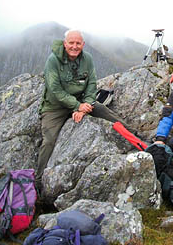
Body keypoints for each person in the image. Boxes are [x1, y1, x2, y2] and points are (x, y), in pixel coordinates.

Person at [36, 30, 124, 190]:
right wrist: (77, 106)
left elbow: (91, 85)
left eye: (78, 43)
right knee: (48, 141)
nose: (74, 46)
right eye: (71, 43)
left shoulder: (87, 59)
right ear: (65, 43)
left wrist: (84, 107)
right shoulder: (53, 60)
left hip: (81, 102)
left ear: (83, 44)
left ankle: (135, 137)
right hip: (55, 107)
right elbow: (55, 90)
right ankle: (38, 182)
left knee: (106, 113)